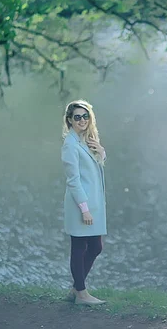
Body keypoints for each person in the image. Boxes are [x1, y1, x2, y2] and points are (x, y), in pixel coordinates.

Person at [61, 100, 107, 305]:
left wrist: (101, 153)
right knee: (79, 247)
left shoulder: (84, 141)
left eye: (85, 116)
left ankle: (75, 289)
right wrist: (84, 209)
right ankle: (81, 293)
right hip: (81, 205)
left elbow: (94, 172)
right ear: (70, 120)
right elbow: (73, 180)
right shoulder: (70, 145)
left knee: (96, 247)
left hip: (93, 204)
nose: (82, 120)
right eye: (77, 117)